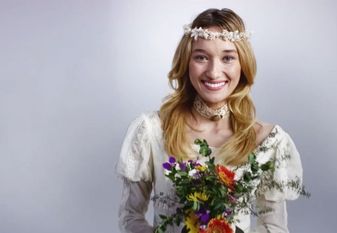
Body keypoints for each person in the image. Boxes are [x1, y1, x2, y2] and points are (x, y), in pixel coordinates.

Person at [116, 8, 303, 233]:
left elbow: (273, 227)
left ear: (243, 64)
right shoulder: (152, 131)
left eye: (227, 58)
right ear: (186, 62)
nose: (214, 72)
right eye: (201, 57)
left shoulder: (268, 140)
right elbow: (130, 217)